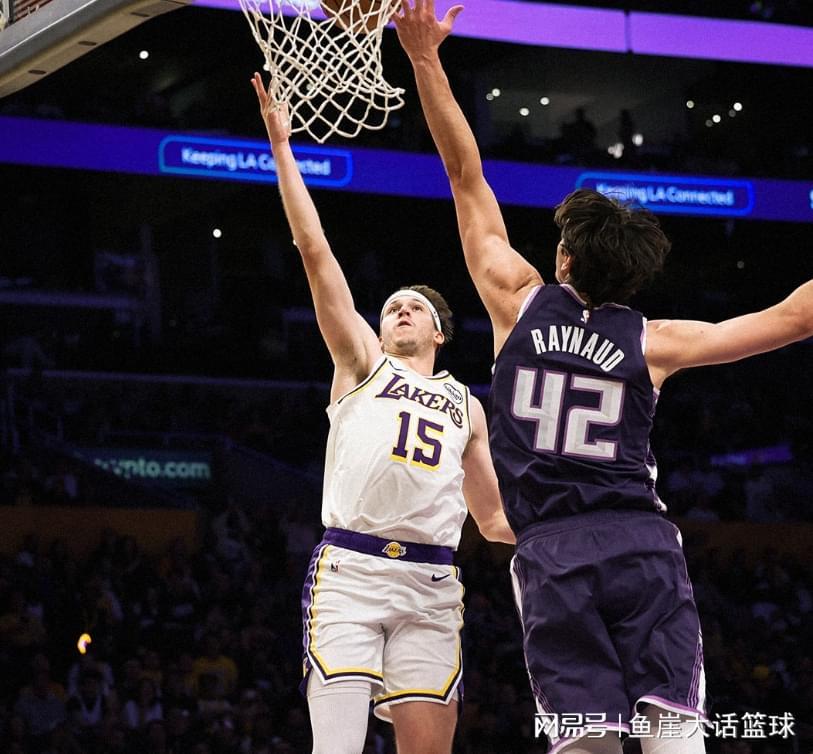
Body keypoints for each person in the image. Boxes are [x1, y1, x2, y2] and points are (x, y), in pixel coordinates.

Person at [394, 2, 813, 753]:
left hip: (551, 553)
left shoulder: (515, 300)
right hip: (640, 545)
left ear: (563, 259)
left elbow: (464, 175)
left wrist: (425, 58)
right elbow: (792, 318)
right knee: (673, 732)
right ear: (634, 278)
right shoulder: (657, 341)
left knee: (585, 740)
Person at [249, 72, 514, 754]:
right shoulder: (362, 362)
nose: (398, 310)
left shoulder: (468, 404)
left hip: (432, 580)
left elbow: (491, 518)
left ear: (439, 332)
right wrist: (282, 149)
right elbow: (315, 251)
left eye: (414, 306)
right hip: (352, 567)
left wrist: (576, 530)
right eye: (391, 305)